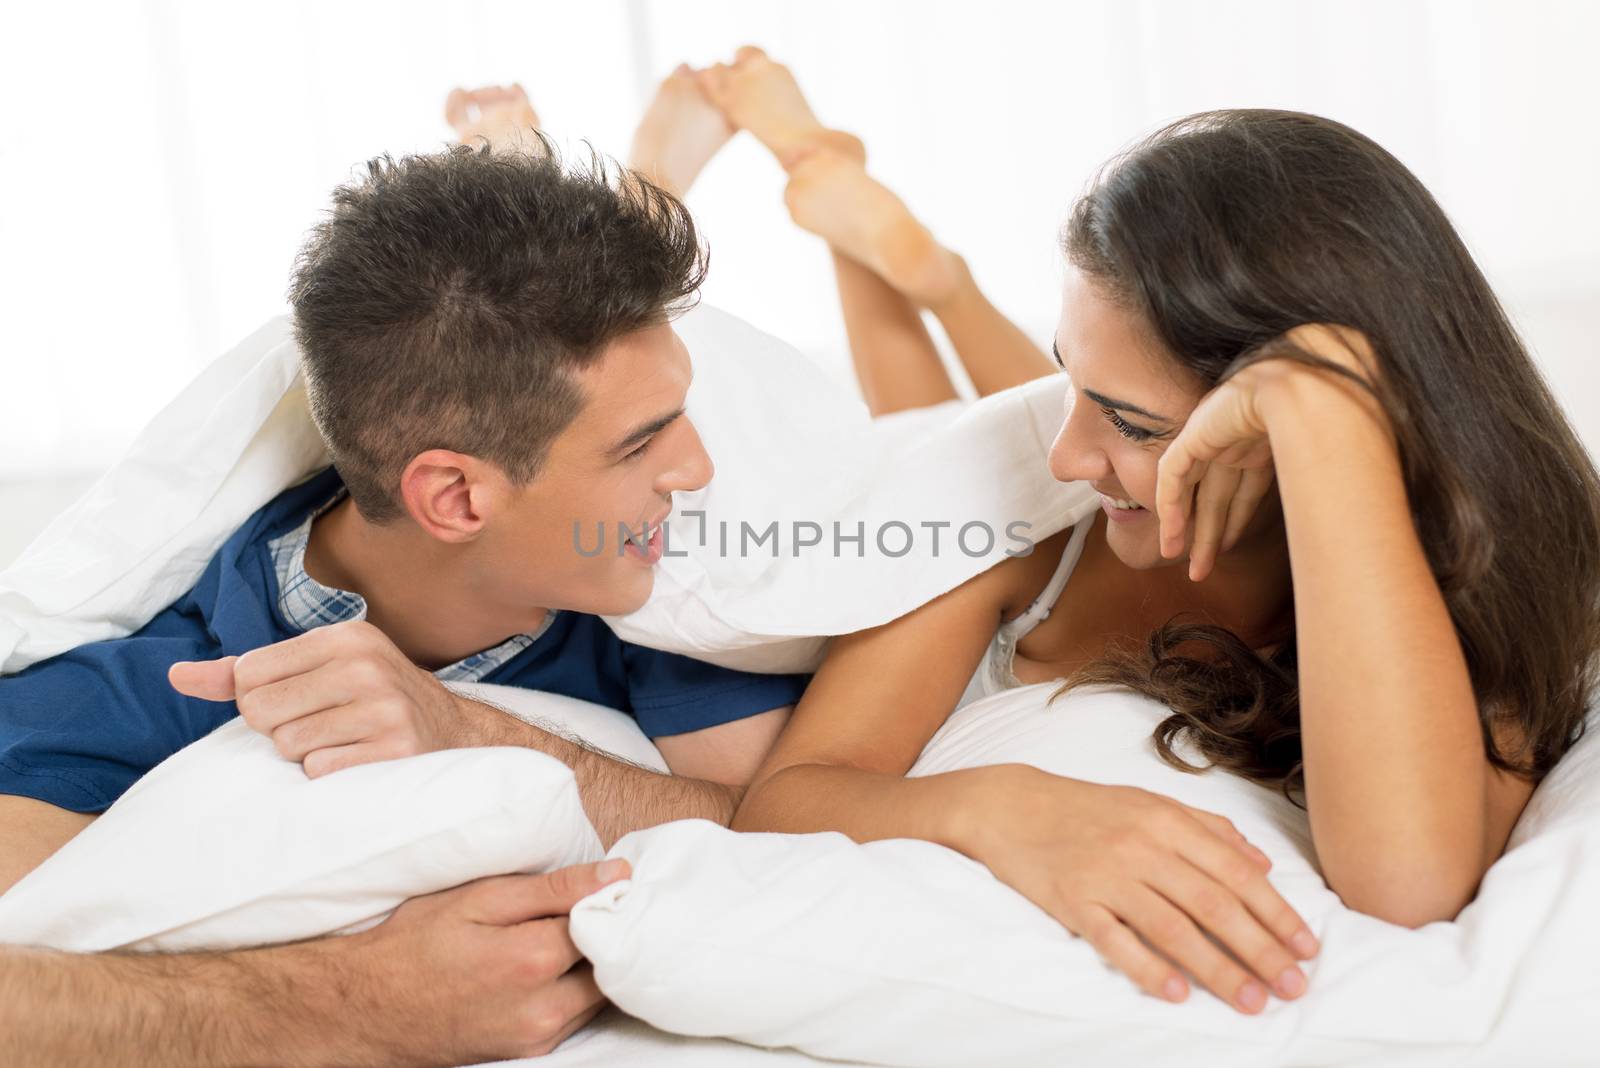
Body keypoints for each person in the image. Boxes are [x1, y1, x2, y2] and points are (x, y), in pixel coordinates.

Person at [693, 48, 1600, 1016]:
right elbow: (783, 804)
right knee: (947, 446)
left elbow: (1408, 884)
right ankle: (914, 269)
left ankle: (906, 259)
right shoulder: (1032, 522)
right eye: (1067, 377)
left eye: (1128, 422)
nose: (1068, 453)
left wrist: (1325, 407)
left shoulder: (1471, 554)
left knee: (991, 445)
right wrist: (1002, 808)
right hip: (928, 490)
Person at [0, 67, 805, 1065]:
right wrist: (329, 997)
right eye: (641, 446)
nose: (698, 470)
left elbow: (783, 828)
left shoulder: (681, 601)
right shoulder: (142, 691)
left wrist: (460, 726)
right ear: (456, 498)